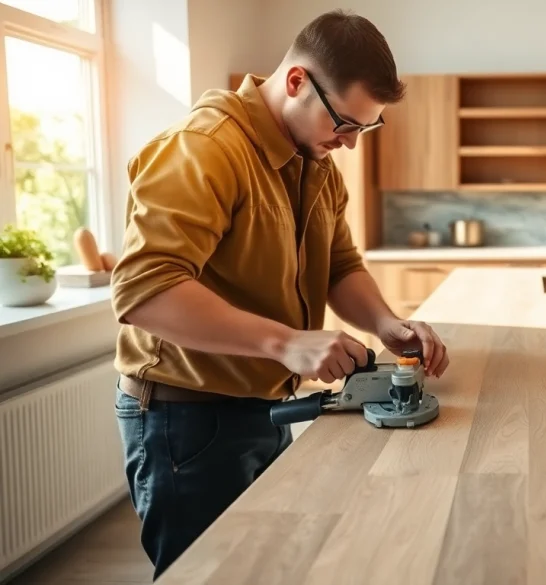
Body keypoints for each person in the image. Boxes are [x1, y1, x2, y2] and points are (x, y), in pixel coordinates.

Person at [109, 9, 449, 580]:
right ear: (297, 82)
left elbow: (340, 266)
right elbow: (145, 290)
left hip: (262, 406)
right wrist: (286, 343)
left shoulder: (312, 159)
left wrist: (387, 324)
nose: (350, 145)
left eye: (364, 129)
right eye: (345, 124)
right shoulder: (205, 148)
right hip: (183, 418)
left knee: (265, 567)